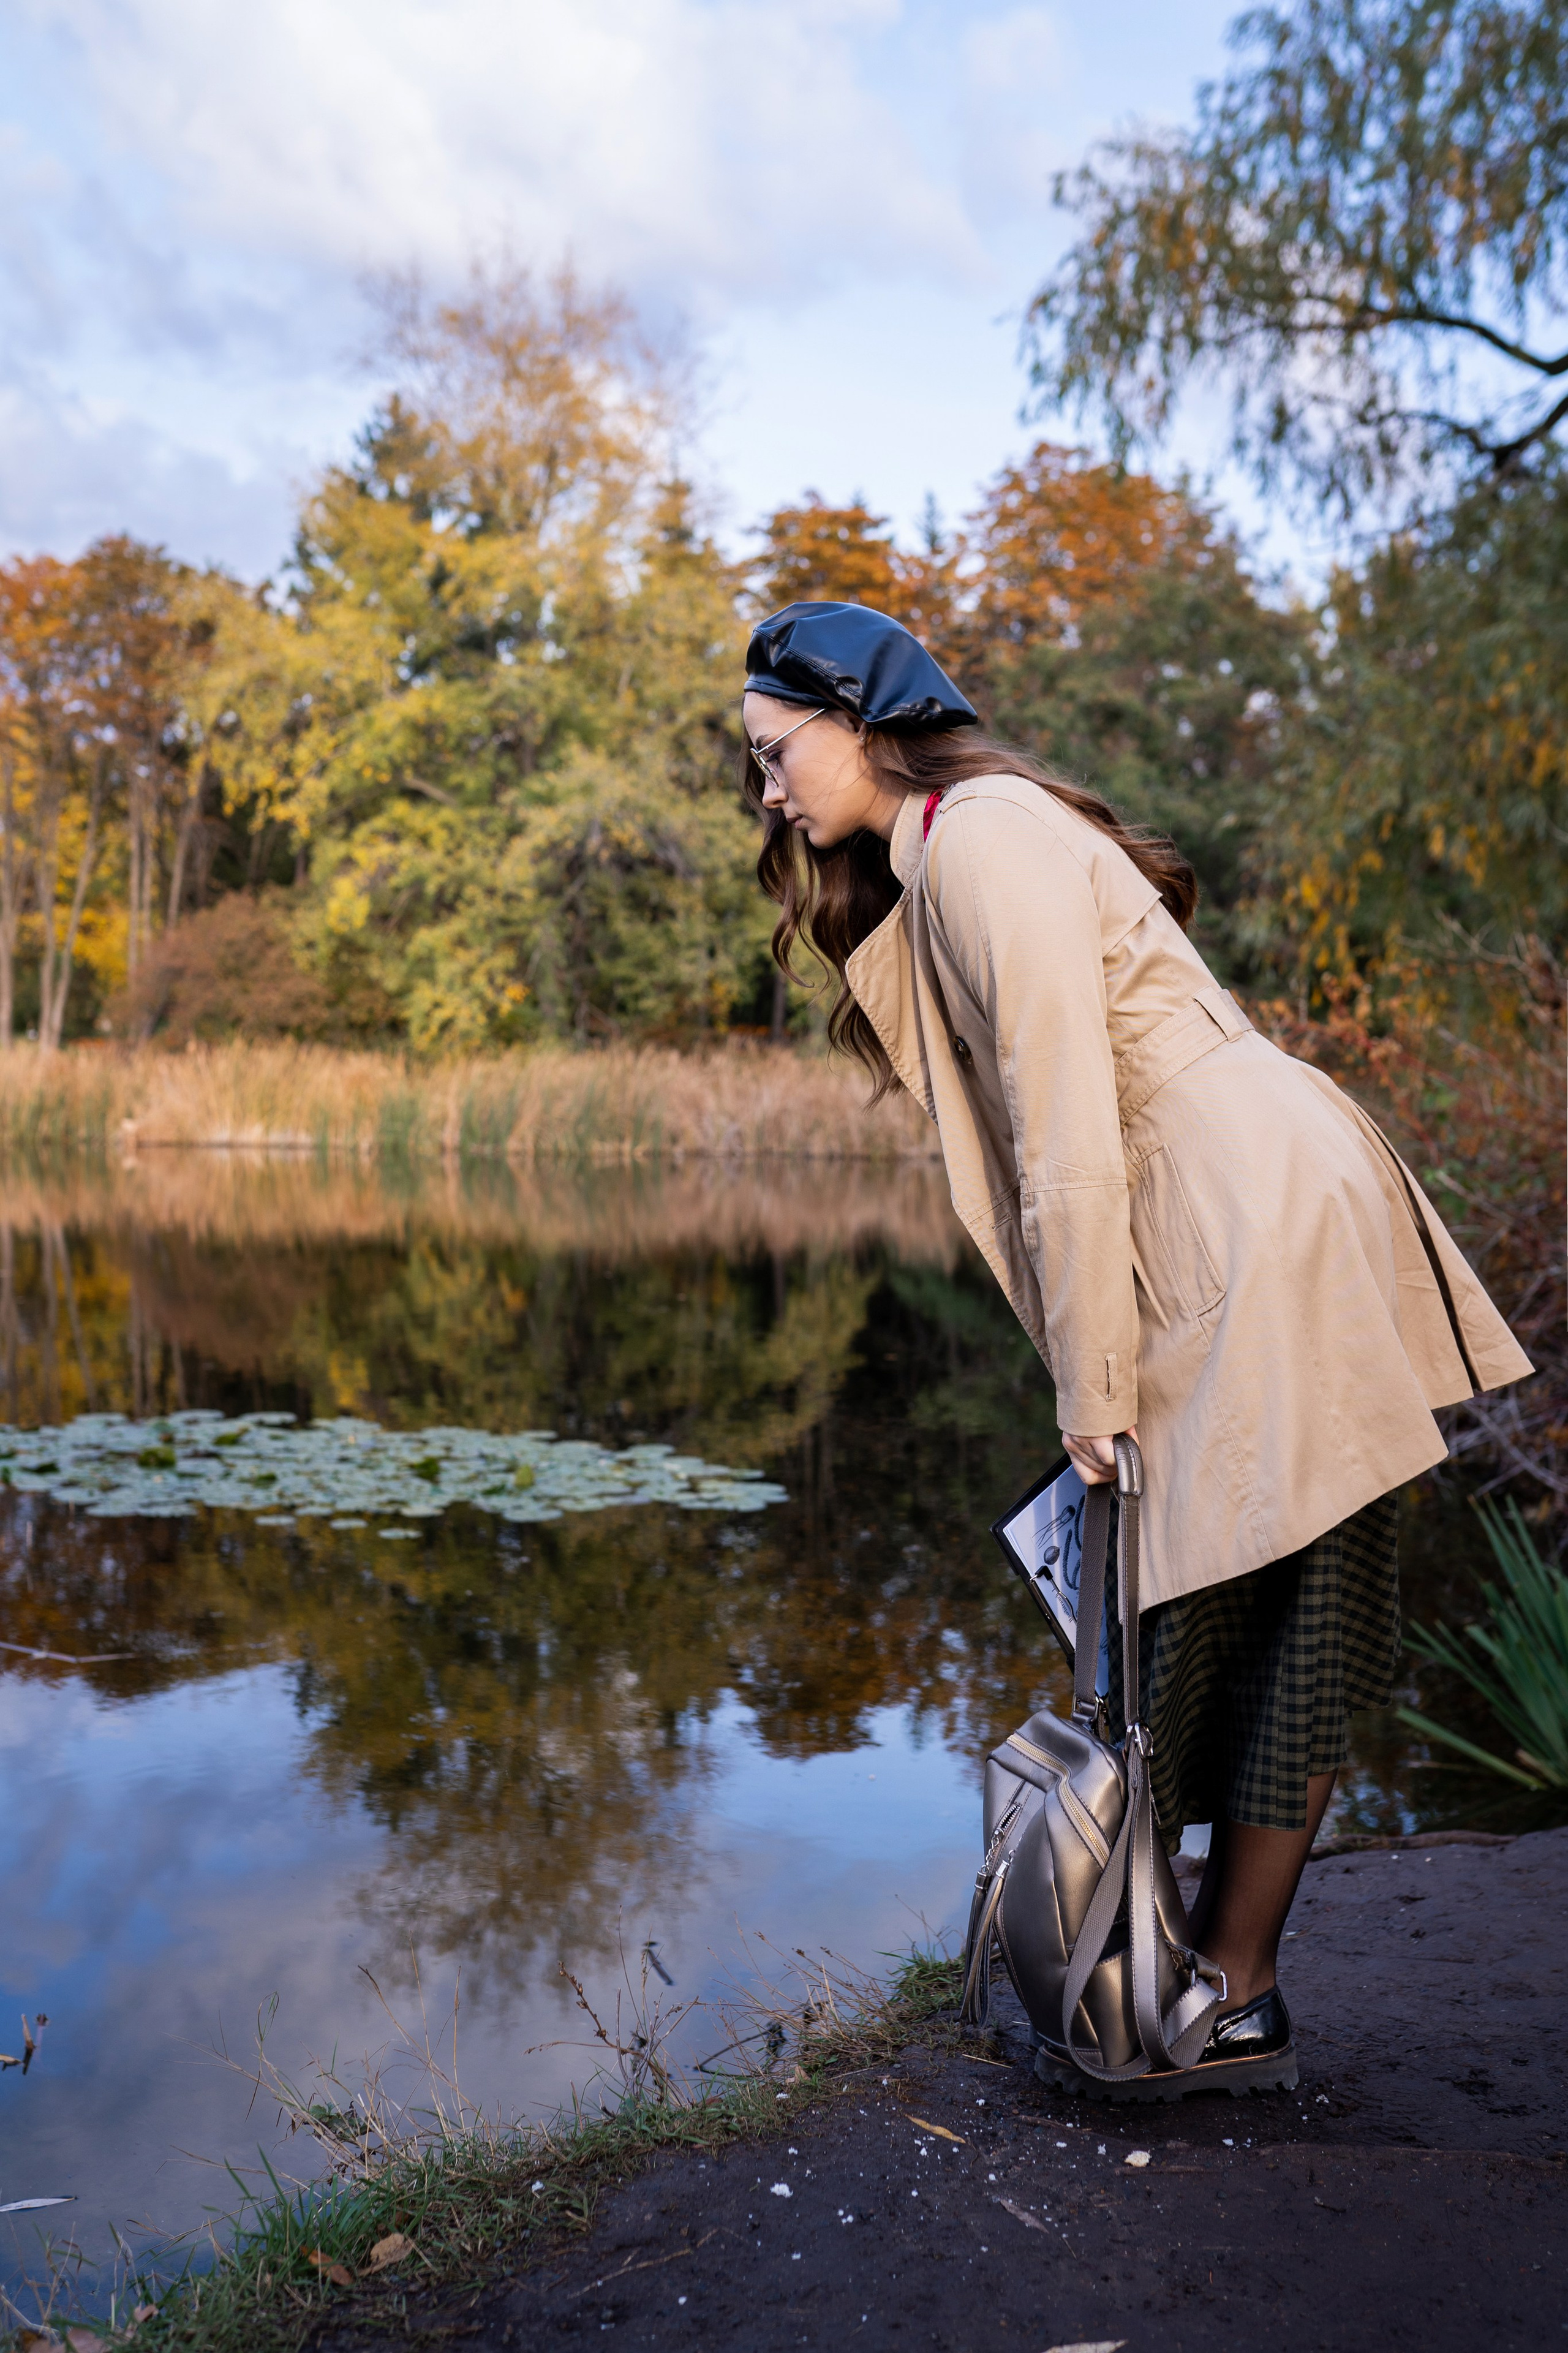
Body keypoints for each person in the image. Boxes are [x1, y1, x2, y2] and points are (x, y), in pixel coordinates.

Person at [741, 599, 1533, 2098]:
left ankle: (1223, 1985)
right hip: (1232, 1207)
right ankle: (1162, 1964)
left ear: (863, 720)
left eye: (778, 753)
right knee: (1212, 1600)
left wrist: (1089, 1382)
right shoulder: (939, 859)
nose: (767, 791)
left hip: (1244, 1217)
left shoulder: (982, 839)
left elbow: (1067, 1122)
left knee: (1245, 1597)